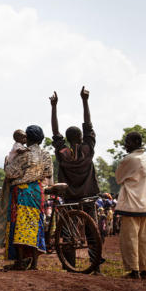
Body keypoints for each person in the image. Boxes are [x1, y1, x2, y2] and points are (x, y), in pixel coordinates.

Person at [0, 125, 52, 270]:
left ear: (28, 138)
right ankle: (34, 263)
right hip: (37, 191)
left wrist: (6, 162)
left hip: (22, 192)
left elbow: (10, 173)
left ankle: (20, 261)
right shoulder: (46, 154)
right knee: (35, 226)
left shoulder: (23, 154)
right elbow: (48, 172)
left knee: (19, 225)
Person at [50, 86, 102, 273]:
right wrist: (85, 101)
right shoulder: (88, 149)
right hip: (89, 196)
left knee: (67, 231)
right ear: (81, 137)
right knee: (92, 230)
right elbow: (89, 126)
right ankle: (96, 266)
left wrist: (53, 107)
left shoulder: (63, 153)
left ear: (67, 138)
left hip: (70, 198)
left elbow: (55, 133)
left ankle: (70, 264)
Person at [115, 132, 146, 280]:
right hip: (145, 204)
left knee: (129, 239)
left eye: (128, 142)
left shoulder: (129, 159)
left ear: (136, 141)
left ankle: (134, 270)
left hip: (131, 204)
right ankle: (144, 268)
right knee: (143, 239)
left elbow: (119, 178)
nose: (125, 145)